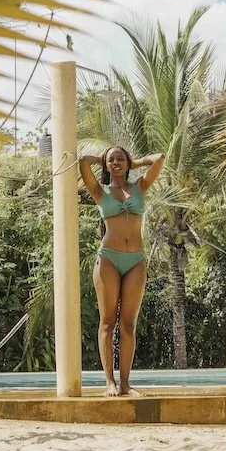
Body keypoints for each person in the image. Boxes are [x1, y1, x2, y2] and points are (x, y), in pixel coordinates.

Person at [79, 146, 166, 397]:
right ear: (106, 165)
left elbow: (159, 158)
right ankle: (110, 382)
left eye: (120, 159)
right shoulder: (100, 191)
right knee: (107, 322)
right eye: (111, 160)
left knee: (128, 324)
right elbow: (83, 161)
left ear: (127, 162)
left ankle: (126, 383)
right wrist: (103, 159)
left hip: (136, 260)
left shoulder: (140, 186)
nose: (115, 162)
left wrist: (134, 163)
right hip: (108, 258)